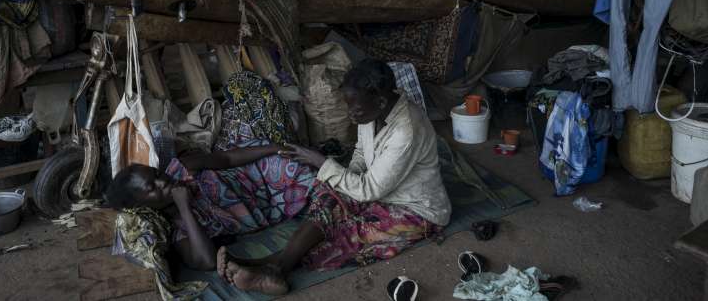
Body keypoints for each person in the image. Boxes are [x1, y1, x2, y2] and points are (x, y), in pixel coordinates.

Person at [217, 58, 451, 295]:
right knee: (329, 194)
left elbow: (370, 191)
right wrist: (342, 182)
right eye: (348, 106)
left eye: (355, 109)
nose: (351, 114)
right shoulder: (374, 108)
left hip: (417, 210)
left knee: (353, 232)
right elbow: (361, 152)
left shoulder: (406, 130)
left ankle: (271, 265)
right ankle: (274, 267)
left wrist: (322, 162)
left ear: (380, 102)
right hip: (380, 191)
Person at [106, 71, 315, 271]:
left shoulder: (182, 168)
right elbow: (206, 262)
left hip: (258, 177)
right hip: (268, 208)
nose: (162, 182)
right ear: (144, 205)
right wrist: (184, 206)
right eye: (152, 188)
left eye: (157, 175)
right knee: (316, 187)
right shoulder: (177, 227)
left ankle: (322, 186)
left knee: (294, 162)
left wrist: (274, 147)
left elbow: (227, 158)